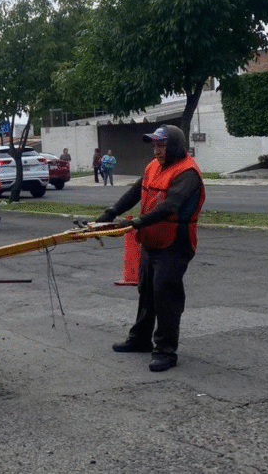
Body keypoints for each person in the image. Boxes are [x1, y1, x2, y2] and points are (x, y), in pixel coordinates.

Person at [95, 124, 205, 372]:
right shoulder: (153, 167)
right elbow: (135, 192)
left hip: (175, 242)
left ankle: (166, 350)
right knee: (146, 290)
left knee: (165, 293)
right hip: (151, 239)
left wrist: (134, 223)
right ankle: (140, 339)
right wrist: (110, 213)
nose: (157, 150)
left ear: (175, 146)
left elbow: (170, 206)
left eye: (162, 145)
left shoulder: (187, 173)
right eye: (155, 145)